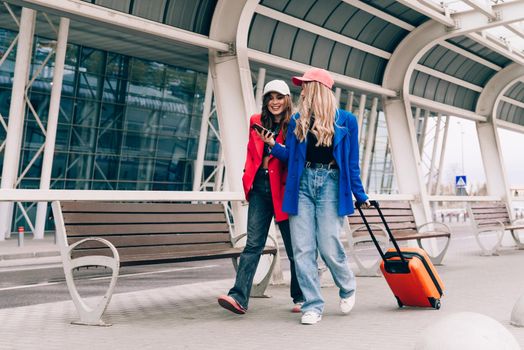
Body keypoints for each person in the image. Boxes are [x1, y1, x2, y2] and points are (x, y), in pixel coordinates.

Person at [260, 68, 370, 325]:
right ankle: (312, 305)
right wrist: (274, 146)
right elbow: (293, 157)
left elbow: (351, 163)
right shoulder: (299, 119)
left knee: (329, 244)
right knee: (302, 249)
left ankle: (347, 286)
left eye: (306, 85)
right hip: (302, 185)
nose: (302, 90)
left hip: (331, 183)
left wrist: (360, 193)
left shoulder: (346, 121)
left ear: (319, 88)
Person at [217, 80, 304, 314]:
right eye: (270, 97)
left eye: (279, 97)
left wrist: (273, 144)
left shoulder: (295, 124)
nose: (274, 102)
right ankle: (239, 298)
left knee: (294, 247)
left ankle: (302, 297)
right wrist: (248, 178)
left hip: (283, 191)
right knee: (253, 244)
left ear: (287, 99)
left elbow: (294, 159)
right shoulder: (256, 121)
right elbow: (251, 151)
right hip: (260, 187)